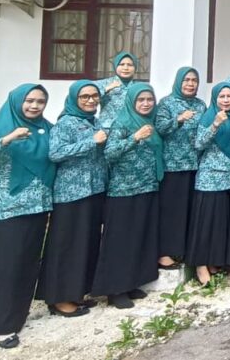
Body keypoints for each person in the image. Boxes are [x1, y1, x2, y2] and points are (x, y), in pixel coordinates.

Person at [0, 84, 54, 348]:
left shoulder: (47, 129)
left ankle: (13, 317)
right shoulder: (3, 127)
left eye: (40, 101)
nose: (35, 106)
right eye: (29, 100)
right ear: (16, 102)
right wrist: (6, 139)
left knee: (25, 266)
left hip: (36, 208)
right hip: (3, 208)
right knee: (2, 267)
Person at [39, 81, 107, 318]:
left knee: (85, 243)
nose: (91, 100)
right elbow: (55, 153)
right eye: (84, 96)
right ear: (74, 99)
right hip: (71, 193)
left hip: (94, 190)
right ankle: (59, 297)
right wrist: (92, 141)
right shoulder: (65, 123)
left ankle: (77, 292)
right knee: (67, 245)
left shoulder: (94, 121)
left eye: (94, 96)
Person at [94, 84, 163, 309]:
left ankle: (132, 282)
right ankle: (115, 290)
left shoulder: (150, 122)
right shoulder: (122, 123)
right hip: (124, 190)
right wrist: (135, 137)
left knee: (138, 238)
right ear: (131, 102)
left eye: (149, 99)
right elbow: (110, 153)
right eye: (140, 100)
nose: (146, 103)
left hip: (147, 187)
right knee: (120, 240)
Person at [185, 83, 230, 286]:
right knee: (205, 223)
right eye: (222, 96)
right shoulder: (209, 117)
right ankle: (200, 265)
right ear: (215, 98)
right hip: (210, 178)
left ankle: (213, 261)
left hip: (229, 177)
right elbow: (199, 144)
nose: (226, 100)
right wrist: (215, 125)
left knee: (219, 223)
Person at [154, 67, 206, 269]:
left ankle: (182, 250)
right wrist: (178, 119)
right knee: (171, 210)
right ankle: (165, 253)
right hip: (173, 166)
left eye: (194, 80)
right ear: (178, 82)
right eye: (186, 80)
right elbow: (160, 128)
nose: (190, 84)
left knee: (189, 210)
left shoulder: (200, 105)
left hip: (194, 164)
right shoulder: (166, 103)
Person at [96, 51, 138, 130]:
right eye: (121, 64)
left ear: (135, 68)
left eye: (130, 65)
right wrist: (106, 89)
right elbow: (88, 99)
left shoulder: (138, 87)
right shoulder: (103, 84)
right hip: (107, 128)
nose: (125, 68)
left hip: (131, 129)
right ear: (115, 66)